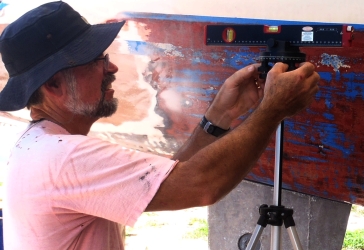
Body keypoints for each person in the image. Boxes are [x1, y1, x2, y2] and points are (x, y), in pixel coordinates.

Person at [0, 1, 319, 250]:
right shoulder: (64, 158)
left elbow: (170, 176)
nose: (111, 67)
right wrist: (272, 110)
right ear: (53, 85)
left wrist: (219, 116)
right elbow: (200, 185)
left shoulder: (41, 147)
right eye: (96, 59)